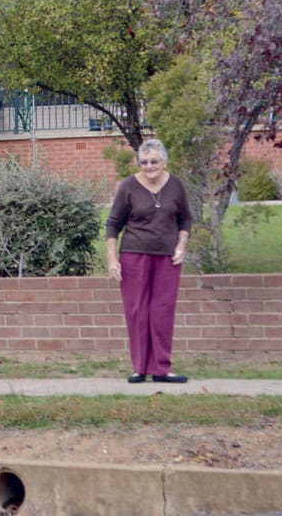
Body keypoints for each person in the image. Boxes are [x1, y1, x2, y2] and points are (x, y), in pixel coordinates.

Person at [105, 138, 193, 384]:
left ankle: (161, 369)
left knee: (162, 310)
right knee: (137, 311)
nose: (149, 166)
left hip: (167, 257)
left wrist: (181, 244)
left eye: (154, 161)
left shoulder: (176, 185)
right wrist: (112, 259)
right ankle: (139, 368)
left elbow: (186, 219)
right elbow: (113, 224)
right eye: (144, 162)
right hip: (134, 255)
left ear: (163, 161)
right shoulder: (128, 186)